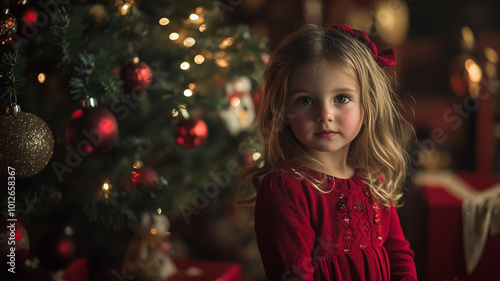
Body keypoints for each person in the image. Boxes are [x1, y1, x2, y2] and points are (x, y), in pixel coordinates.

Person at [243, 24, 418, 280]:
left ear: (367, 104)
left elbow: (398, 254)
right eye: (305, 100)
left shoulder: (372, 180)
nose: (324, 115)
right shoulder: (286, 189)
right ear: (284, 109)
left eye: (342, 98)